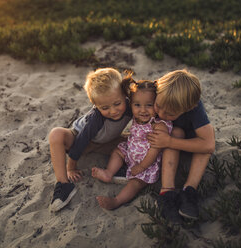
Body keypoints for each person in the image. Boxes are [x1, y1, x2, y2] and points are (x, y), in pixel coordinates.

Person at [48, 68, 132, 212]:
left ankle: (123, 169)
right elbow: (82, 140)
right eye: (105, 107)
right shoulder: (96, 118)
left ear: (124, 94)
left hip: (105, 142)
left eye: (117, 104)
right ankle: (63, 184)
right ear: (96, 105)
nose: (113, 111)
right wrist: (71, 167)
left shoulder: (130, 105)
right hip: (77, 138)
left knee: (134, 140)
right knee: (56, 134)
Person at [91, 74, 172, 210]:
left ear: (157, 104)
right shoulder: (137, 117)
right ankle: (109, 173)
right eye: (137, 105)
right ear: (131, 104)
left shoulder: (158, 124)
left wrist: (141, 167)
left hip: (146, 163)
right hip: (130, 152)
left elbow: (155, 149)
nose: (143, 110)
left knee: (136, 183)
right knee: (118, 151)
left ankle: (117, 201)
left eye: (149, 105)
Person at [147, 69, 215, 221]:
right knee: (176, 131)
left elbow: (209, 145)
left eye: (170, 114)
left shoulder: (194, 106)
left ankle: (189, 190)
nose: (163, 114)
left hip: (189, 142)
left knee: (203, 144)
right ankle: (167, 191)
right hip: (167, 138)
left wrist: (169, 142)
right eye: (158, 106)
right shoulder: (156, 89)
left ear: (189, 108)